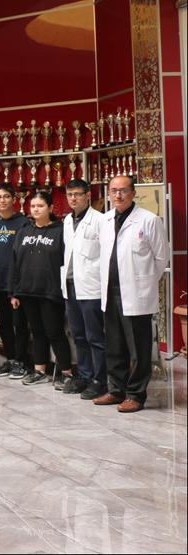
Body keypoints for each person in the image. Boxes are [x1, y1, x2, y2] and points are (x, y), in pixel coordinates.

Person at [95, 175, 169, 413]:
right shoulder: (105, 220)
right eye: (114, 190)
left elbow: (161, 258)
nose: (118, 195)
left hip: (136, 294)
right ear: (109, 193)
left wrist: (143, 282)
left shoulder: (148, 220)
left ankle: (136, 394)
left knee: (138, 348)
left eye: (123, 190)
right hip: (110, 292)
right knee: (114, 345)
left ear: (133, 193)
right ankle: (116, 390)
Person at [10, 190, 70, 387]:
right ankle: (40, 370)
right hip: (27, 291)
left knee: (55, 332)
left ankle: (66, 373)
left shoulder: (61, 231)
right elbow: (15, 262)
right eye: (33, 206)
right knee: (37, 332)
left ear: (50, 208)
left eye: (40, 206)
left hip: (51, 291)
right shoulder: (24, 231)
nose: (36, 209)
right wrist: (14, 292)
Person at [61, 179, 106, 399]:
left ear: (88, 195)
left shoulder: (100, 220)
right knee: (78, 335)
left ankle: (100, 379)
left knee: (94, 336)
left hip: (91, 287)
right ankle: (85, 375)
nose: (73, 198)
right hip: (70, 286)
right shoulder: (67, 220)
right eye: (70, 194)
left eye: (78, 194)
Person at [0, 183, 31, 379]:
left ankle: (21, 361)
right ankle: (10, 359)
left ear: (14, 199)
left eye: (6, 196)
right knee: (4, 323)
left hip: (17, 282)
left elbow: (26, 254)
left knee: (20, 323)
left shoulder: (23, 223)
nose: (2, 200)